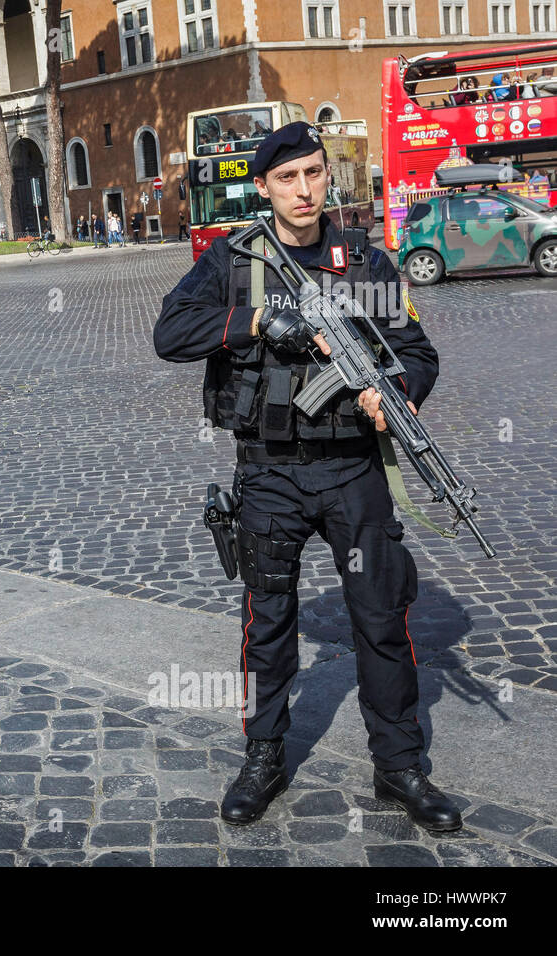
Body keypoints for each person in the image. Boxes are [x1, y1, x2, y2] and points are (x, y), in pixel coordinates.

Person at [153, 121, 460, 833]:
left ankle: (400, 766)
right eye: (288, 177)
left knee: (381, 619)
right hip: (269, 474)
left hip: (354, 469)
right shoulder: (235, 260)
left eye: (315, 174)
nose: (304, 189)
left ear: (328, 178)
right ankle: (263, 757)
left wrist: (399, 390)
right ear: (263, 186)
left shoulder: (364, 264)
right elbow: (170, 334)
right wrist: (259, 320)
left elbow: (418, 352)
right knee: (269, 622)